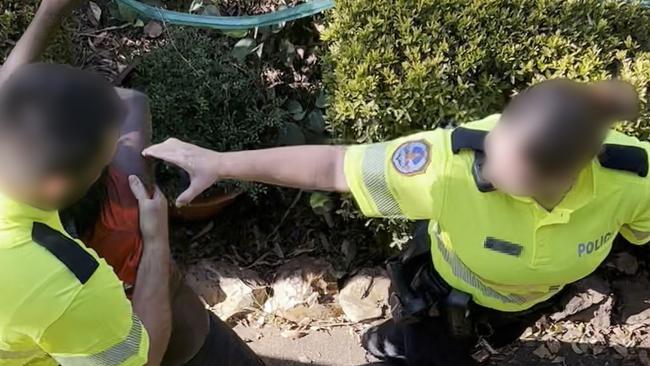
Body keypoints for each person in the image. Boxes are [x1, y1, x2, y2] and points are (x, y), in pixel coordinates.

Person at [144, 78, 648, 365]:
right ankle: (391, 342)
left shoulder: (632, 180)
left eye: (508, 172)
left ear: (569, 171)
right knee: (429, 347)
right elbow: (331, 166)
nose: (486, 172)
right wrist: (222, 161)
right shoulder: (447, 164)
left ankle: (393, 343)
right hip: (444, 302)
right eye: (493, 148)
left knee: (489, 339)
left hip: (527, 303)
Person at [0, 1, 265, 365]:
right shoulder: (69, 281)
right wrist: (156, 240)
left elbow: (10, 85)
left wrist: (50, 9)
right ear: (58, 186)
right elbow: (147, 356)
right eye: (106, 157)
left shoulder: (14, 139)